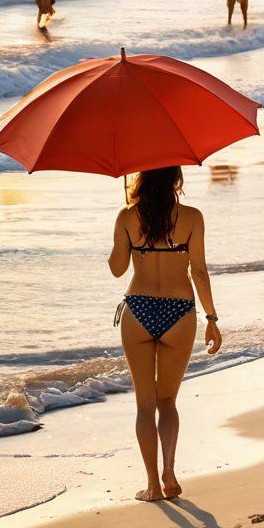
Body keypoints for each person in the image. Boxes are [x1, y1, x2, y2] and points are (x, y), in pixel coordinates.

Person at [109, 167, 221, 502]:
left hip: (139, 309)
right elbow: (199, 271)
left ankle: (152, 487)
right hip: (179, 311)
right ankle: (169, 472)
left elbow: (117, 269)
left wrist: (122, 230)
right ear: (177, 180)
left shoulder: (127, 216)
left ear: (141, 180)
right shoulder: (192, 217)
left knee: (144, 404)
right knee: (167, 401)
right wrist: (212, 317)